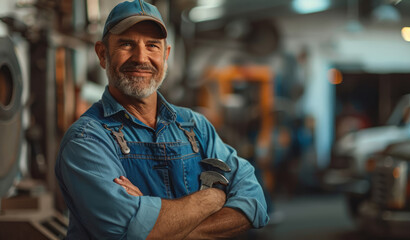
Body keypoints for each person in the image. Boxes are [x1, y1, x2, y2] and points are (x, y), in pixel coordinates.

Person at [55, 0, 269, 239]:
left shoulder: (195, 126)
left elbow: (254, 202)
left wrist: (162, 228)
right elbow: (125, 232)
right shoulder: (86, 140)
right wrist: (211, 199)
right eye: (126, 44)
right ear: (102, 54)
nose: (141, 58)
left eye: (152, 46)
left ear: (166, 55)